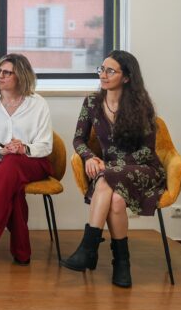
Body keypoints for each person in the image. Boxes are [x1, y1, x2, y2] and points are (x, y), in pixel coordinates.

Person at [61, 50, 165, 288]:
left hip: (142, 169)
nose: (103, 75)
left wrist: (111, 166)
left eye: (110, 70)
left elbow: (147, 152)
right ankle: (122, 263)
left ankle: (88, 249)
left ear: (126, 77)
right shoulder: (92, 103)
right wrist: (88, 157)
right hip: (109, 171)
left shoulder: (143, 107)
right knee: (116, 201)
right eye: (102, 69)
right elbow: (79, 139)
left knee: (105, 177)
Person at [0, 53, 53, 265]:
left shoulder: (38, 103)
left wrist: (23, 148)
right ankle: (22, 252)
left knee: (13, 165)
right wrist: (1, 151)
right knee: (12, 186)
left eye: (7, 72)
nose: (0, 76)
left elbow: (46, 144)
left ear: (20, 76)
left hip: (31, 160)